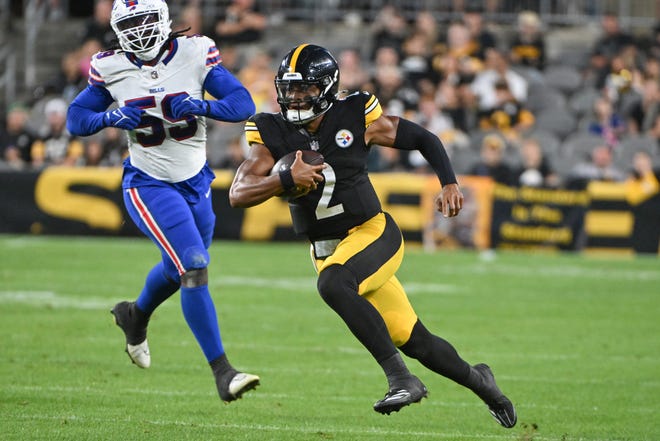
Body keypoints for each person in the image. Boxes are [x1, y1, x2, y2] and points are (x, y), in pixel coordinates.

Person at [228, 44, 516, 427]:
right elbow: (237, 194)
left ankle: (401, 379)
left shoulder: (356, 115)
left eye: (306, 88)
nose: (295, 97)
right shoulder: (271, 131)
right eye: (290, 88)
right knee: (416, 341)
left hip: (373, 232)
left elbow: (424, 138)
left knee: (333, 284)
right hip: (327, 248)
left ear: (328, 88)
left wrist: (448, 182)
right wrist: (284, 178)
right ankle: (485, 385)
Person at [65, 0, 259, 403]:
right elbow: (76, 118)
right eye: (129, 24)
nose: (137, 31)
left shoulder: (194, 51)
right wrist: (108, 118)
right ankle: (224, 372)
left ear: (163, 19)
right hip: (149, 183)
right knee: (193, 264)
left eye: (144, 20)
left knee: (178, 268)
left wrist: (201, 105)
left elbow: (243, 103)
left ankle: (134, 316)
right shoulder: (110, 66)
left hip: (196, 180)